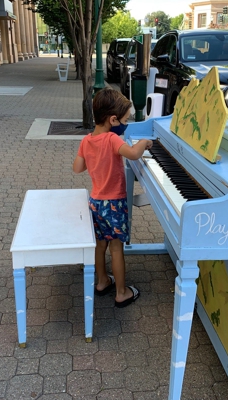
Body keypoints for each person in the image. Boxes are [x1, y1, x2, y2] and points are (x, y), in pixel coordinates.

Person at [73, 88, 153, 308]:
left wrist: (90, 157)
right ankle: (121, 292)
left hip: (96, 202)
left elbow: (77, 168)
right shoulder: (111, 139)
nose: (125, 124)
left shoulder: (87, 140)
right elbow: (134, 153)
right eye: (125, 120)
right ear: (113, 119)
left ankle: (101, 282)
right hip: (114, 204)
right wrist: (144, 141)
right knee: (116, 248)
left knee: (100, 245)